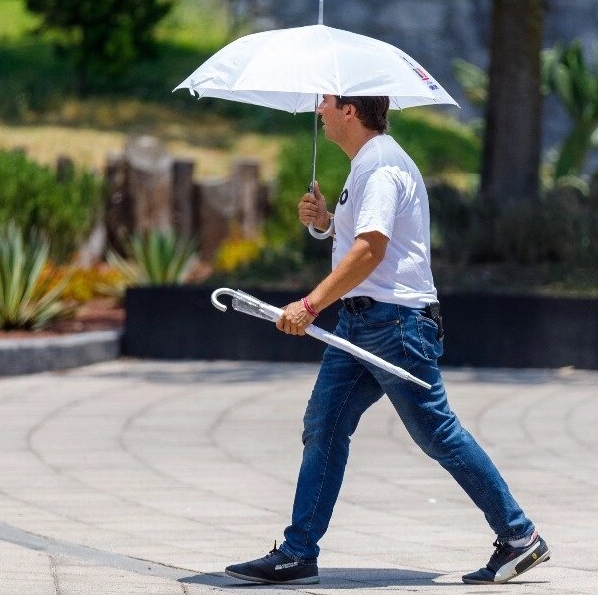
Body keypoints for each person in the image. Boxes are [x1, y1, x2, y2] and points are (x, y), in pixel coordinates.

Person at [224, 94, 549, 586]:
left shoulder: (379, 166)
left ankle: (520, 537)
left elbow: (371, 251)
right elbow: (369, 240)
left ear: (351, 110)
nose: (320, 111)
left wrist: (309, 305)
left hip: (395, 325)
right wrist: (325, 224)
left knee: (436, 433)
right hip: (365, 323)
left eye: (327, 102)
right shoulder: (368, 165)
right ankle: (297, 553)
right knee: (325, 424)